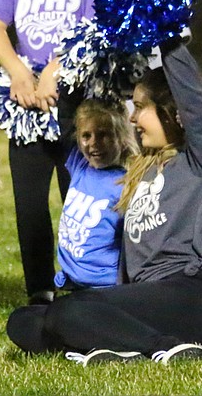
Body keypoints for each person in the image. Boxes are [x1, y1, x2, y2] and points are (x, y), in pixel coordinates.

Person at [6, 39, 202, 364]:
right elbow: (74, 121)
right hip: (148, 298)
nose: (134, 119)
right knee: (24, 320)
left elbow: (195, 102)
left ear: (173, 113)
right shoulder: (142, 164)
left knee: (68, 311)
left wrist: (168, 38)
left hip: (192, 292)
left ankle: (166, 348)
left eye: (141, 108)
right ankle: (122, 347)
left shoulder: (199, 160)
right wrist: (72, 60)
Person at [0, 0, 109, 304]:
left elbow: (93, 27)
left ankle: (84, 282)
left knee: (80, 197)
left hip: (78, 99)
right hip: (26, 102)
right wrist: (19, 72)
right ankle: (39, 290)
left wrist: (55, 71)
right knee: (30, 205)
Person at [53, 99, 136, 291]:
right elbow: (65, 114)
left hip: (102, 286)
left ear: (122, 138)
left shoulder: (126, 185)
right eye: (86, 136)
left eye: (103, 135)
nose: (94, 144)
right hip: (69, 281)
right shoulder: (80, 164)